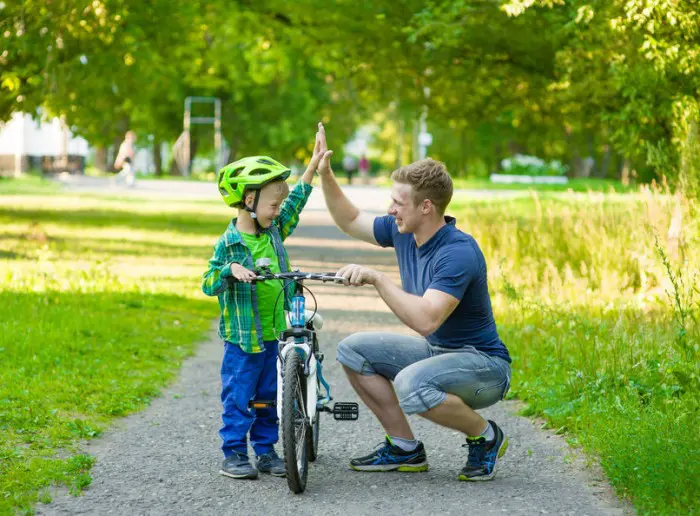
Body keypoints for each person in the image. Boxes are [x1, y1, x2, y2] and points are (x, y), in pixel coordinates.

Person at [316, 123, 512, 482]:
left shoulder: (457, 253)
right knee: (353, 350)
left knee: (410, 384)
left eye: (397, 202)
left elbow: (426, 321)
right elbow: (350, 219)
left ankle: (485, 436)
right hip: (439, 354)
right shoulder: (402, 231)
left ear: (426, 206)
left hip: (483, 366)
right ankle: (405, 448)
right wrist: (326, 174)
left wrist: (378, 279)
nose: (390, 209)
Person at [202, 125, 330, 480]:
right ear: (249, 201)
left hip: (277, 332)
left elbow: (295, 203)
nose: (278, 210)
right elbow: (208, 282)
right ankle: (233, 454)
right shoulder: (228, 242)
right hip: (244, 340)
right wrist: (230, 269)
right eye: (272, 204)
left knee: (270, 397)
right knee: (239, 397)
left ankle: (267, 451)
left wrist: (313, 166)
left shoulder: (273, 230)